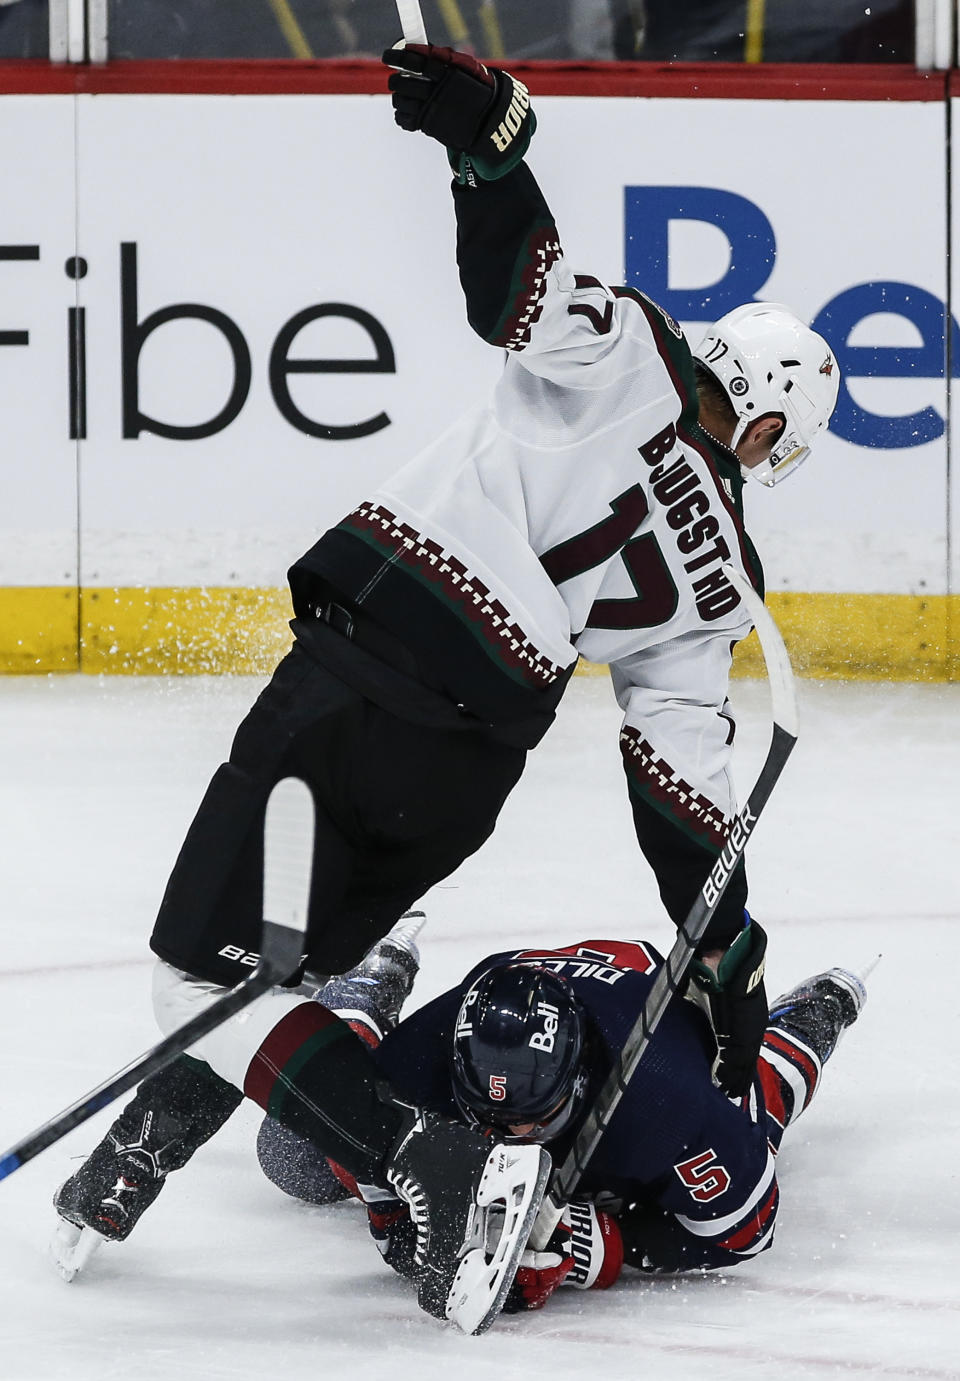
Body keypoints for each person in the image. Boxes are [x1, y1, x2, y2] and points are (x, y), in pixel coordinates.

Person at [50, 43, 839, 1329]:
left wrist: (492, 151)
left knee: (208, 983)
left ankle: (429, 1166)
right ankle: (141, 1153)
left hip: (374, 671)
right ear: (766, 433)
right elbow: (681, 798)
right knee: (288, 969)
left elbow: (518, 295)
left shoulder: (637, 349)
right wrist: (728, 954)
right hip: (467, 766)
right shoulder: (724, 585)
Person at [257, 929, 871, 1311]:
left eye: (528, 1119)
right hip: (524, 979)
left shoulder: (666, 1099)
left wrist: (601, 1247)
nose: (504, 1138)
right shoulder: (418, 1065)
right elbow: (364, 1156)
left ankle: (818, 1008)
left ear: (577, 1084)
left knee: (751, 1102)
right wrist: (404, 1224)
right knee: (292, 1153)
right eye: (486, 1118)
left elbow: (747, 1230)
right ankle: (374, 977)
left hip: (645, 1001)